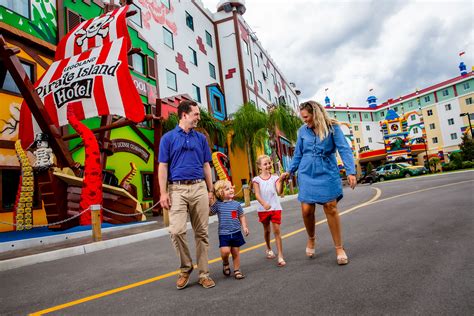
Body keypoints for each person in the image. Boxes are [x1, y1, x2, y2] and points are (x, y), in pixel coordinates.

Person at [289, 100, 357, 265]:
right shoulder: (302, 131)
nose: (304, 120)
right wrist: (290, 171)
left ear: (315, 114)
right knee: (306, 209)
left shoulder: (333, 128)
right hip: (306, 172)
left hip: (327, 171)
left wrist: (351, 171)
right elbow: (298, 153)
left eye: (306, 117)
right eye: (302, 117)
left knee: (330, 208)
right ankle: (311, 238)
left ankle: (339, 248)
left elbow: (344, 149)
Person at [158, 100, 216, 289]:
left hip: (199, 188)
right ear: (184, 115)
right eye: (196, 114)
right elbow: (163, 166)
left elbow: (207, 165)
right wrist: (163, 192)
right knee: (176, 231)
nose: (199, 117)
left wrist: (210, 190)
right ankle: (186, 267)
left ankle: (204, 274)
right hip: (177, 189)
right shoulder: (168, 138)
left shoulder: (200, 139)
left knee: (202, 233)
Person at [252, 155, 289, 267]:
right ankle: (268, 248)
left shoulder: (275, 177)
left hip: (275, 207)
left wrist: (282, 180)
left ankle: (280, 256)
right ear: (259, 167)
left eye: (269, 163)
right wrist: (264, 204)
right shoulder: (256, 180)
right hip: (263, 209)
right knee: (267, 230)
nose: (268, 166)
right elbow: (257, 194)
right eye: (265, 164)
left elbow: (279, 191)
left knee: (276, 230)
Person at [210, 180, 249, 279]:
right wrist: (210, 201)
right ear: (220, 192)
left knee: (235, 252)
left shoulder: (236, 204)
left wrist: (244, 227)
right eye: (227, 189)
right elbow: (210, 212)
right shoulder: (218, 205)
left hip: (236, 232)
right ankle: (225, 262)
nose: (231, 190)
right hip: (224, 234)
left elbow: (241, 216)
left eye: (231, 187)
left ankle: (237, 270)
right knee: (225, 252)